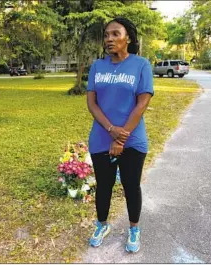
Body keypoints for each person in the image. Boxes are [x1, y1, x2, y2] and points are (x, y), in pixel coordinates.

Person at [86, 17, 154, 253]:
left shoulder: (141, 65)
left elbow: (142, 103)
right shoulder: (97, 66)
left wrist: (121, 138)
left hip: (132, 139)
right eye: (106, 35)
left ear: (129, 38)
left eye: (115, 34)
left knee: (130, 185)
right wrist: (111, 131)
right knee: (103, 185)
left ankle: (134, 227)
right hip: (101, 137)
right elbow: (92, 103)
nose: (109, 39)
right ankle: (102, 224)